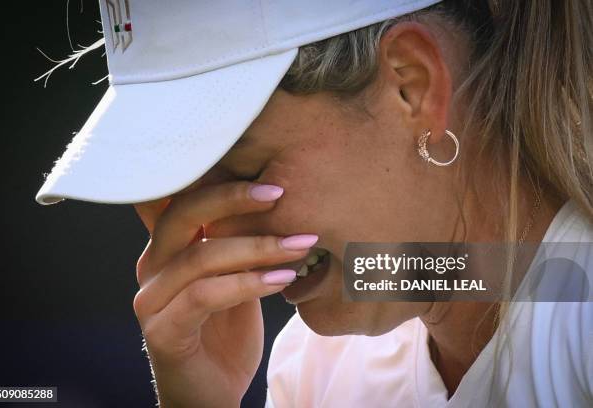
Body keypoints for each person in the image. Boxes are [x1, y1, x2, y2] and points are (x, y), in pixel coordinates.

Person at [36, 0, 593, 406]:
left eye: (249, 173)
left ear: (412, 84)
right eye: (185, 191)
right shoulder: (318, 370)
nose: (216, 237)